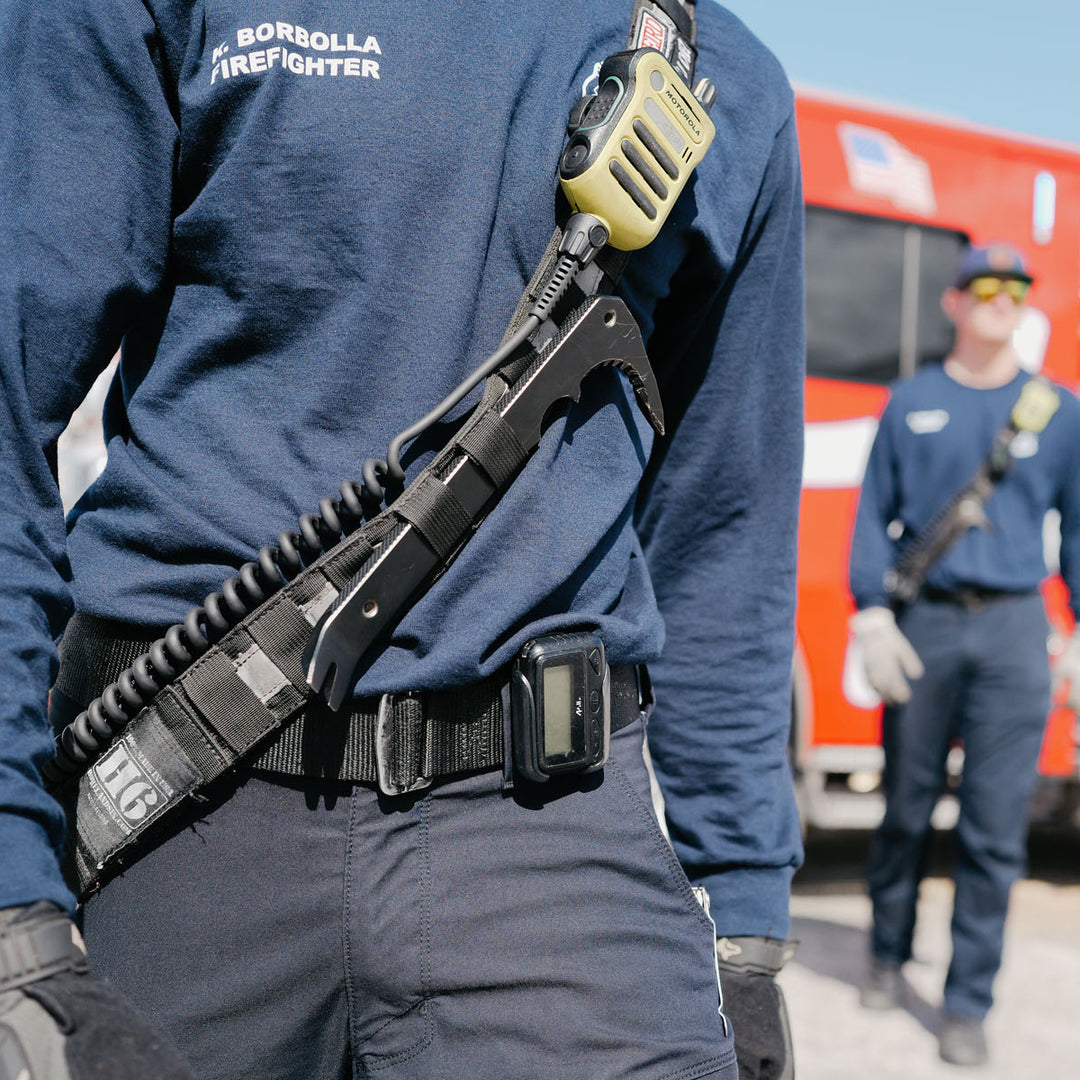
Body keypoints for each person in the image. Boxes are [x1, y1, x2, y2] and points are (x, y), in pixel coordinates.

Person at [0, 2, 804, 1077]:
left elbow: (724, 532)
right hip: (184, 815)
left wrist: (742, 913)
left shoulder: (729, 79)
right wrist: (13, 898)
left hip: (554, 845)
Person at [849, 242, 1080, 1067]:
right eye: (982, 285)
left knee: (992, 832)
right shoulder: (911, 401)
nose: (999, 299)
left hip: (1016, 632)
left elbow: (1079, 530)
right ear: (952, 302)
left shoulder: (1057, 409)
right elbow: (873, 514)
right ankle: (885, 952)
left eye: (1015, 288)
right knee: (906, 809)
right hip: (926, 629)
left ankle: (968, 1002)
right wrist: (870, 614)